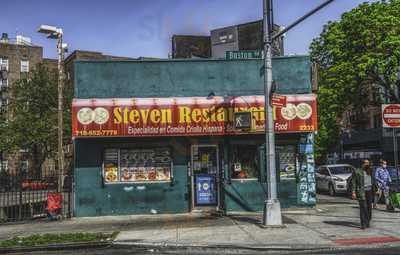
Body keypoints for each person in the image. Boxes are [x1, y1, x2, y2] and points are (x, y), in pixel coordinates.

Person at [352, 159, 373, 229]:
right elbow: (353, 182)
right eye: (366, 163)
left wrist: (377, 189)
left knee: (369, 207)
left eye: (368, 163)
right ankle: (363, 223)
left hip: (369, 190)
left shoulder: (370, 170)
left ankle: (368, 221)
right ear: (362, 164)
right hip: (361, 191)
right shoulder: (357, 171)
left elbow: (373, 179)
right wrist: (353, 192)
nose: (368, 164)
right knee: (363, 207)